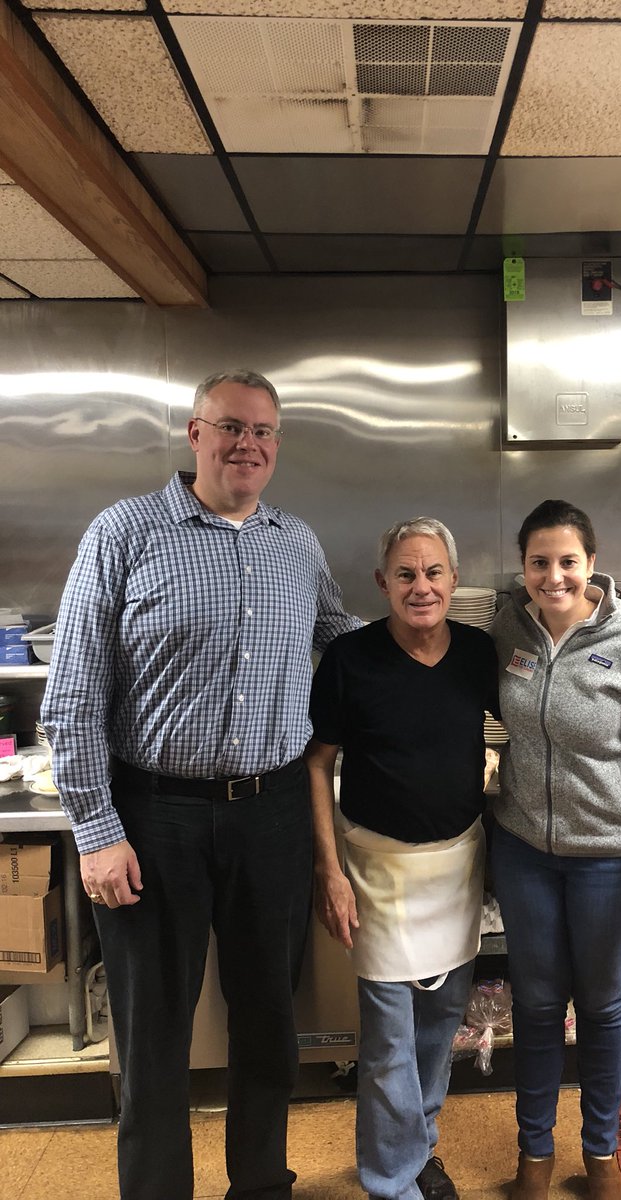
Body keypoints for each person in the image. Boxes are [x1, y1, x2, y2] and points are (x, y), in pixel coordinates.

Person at [41, 369, 361, 1200]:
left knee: (268, 1022)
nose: (247, 444)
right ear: (195, 434)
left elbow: (344, 640)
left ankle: (260, 1185)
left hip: (273, 811)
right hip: (155, 816)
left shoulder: (296, 542)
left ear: (277, 444)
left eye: (263, 431)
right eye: (231, 427)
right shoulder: (125, 532)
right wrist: (97, 831)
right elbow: (71, 697)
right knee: (153, 1036)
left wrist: (435, 637)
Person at [489, 499, 621, 1200]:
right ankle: (534, 1156)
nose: (554, 577)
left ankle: (601, 1155)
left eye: (567, 561)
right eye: (538, 562)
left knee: (601, 1006)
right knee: (537, 1006)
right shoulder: (508, 627)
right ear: (523, 567)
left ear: (592, 564)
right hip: (523, 852)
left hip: (607, 858)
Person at [304, 517, 499, 1200]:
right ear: (383, 583)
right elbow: (317, 763)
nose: (422, 587)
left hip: (457, 867)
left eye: (434, 573)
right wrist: (329, 871)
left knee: (439, 1029)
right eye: (407, 574)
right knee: (389, 1038)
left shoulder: (477, 652)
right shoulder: (350, 659)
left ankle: (417, 1151)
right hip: (377, 871)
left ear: (454, 580)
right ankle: (391, 1182)